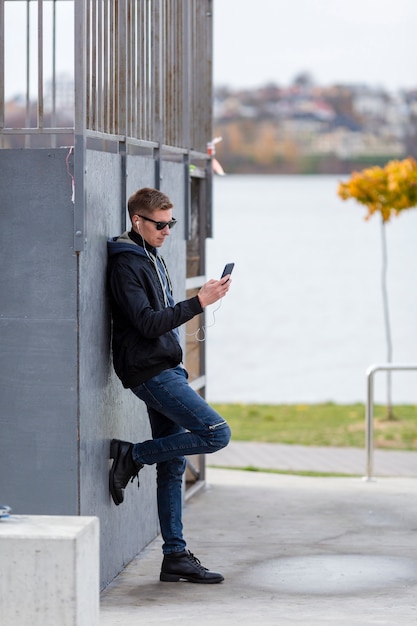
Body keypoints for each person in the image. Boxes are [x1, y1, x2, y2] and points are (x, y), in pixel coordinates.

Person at [107, 187, 232, 584]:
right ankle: (135, 454)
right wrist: (199, 302)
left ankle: (174, 556)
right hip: (148, 372)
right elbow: (145, 323)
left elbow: (159, 320)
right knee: (216, 433)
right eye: (159, 225)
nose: (165, 231)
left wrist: (178, 360)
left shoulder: (150, 256)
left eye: (170, 224)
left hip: (166, 368)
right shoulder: (126, 264)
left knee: (174, 463)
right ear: (136, 221)